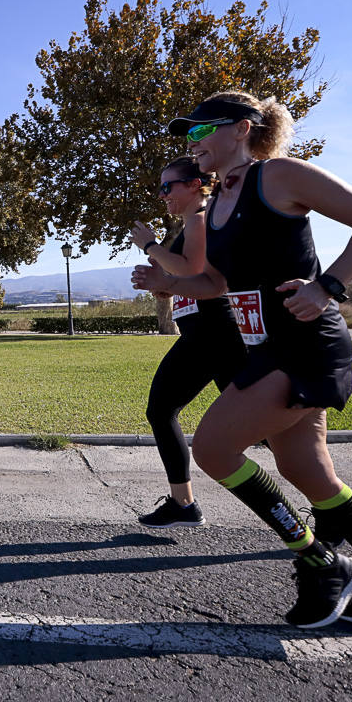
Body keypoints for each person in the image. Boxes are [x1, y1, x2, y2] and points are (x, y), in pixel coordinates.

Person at [132, 90, 352, 629]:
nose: (193, 144)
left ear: (242, 128)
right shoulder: (222, 200)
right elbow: (218, 283)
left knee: (213, 447)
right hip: (267, 348)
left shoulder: (277, 175)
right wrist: (167, 280)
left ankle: (321, 562)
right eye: (188, 135)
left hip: (305, 344)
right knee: (307, 471)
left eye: (201, 131)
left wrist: (328, 287)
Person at [128, 156, 245, 528]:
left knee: (161, 410)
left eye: (168, 187)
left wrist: (150, 246)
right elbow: (192, 277)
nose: (163, 195)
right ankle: (183, 504)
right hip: (209, 332)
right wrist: (163, 286)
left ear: (195, 185)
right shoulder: (196, 221)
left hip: (213, 331)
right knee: (259, 425)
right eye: (160, 188)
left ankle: (184, 504)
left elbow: (191, 269)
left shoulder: (198, 219)